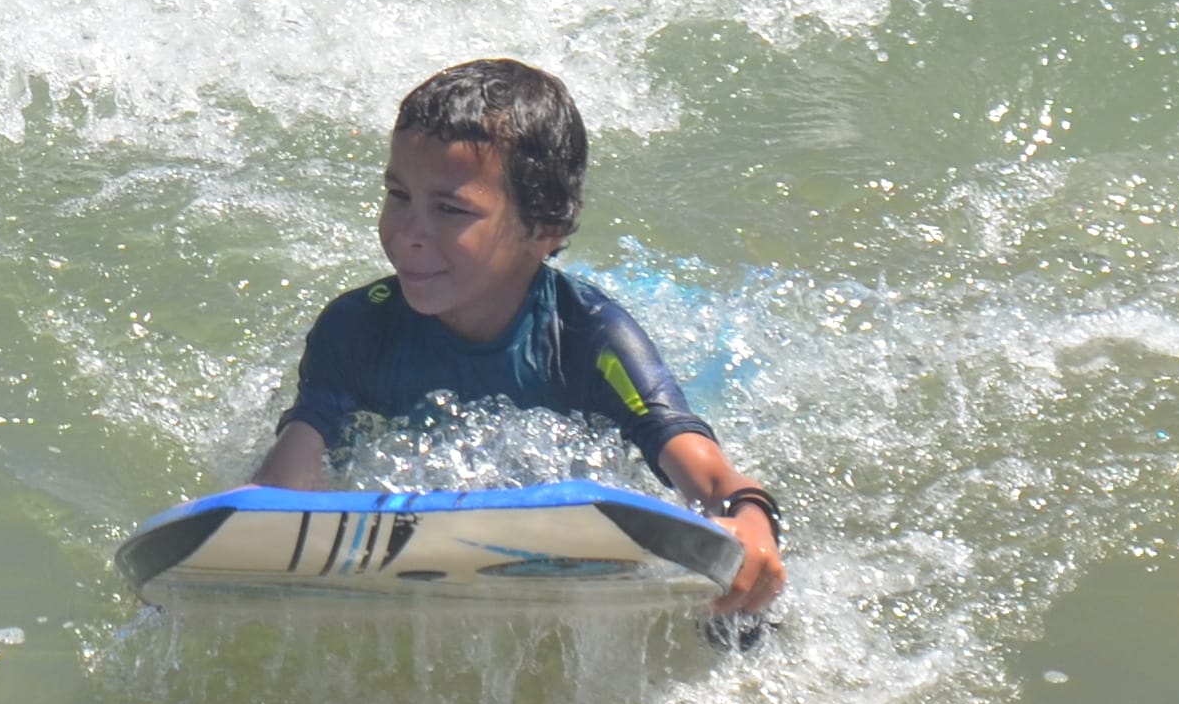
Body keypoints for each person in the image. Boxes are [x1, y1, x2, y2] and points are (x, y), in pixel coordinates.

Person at [252, 57, 786, 617]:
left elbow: (710, 478)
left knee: (740, 622)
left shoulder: (588, 336)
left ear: (543, 230)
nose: (408, 232)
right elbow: (288, 477)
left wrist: (750, 520)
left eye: (450, 209)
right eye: (398, 194)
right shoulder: (358, 327)